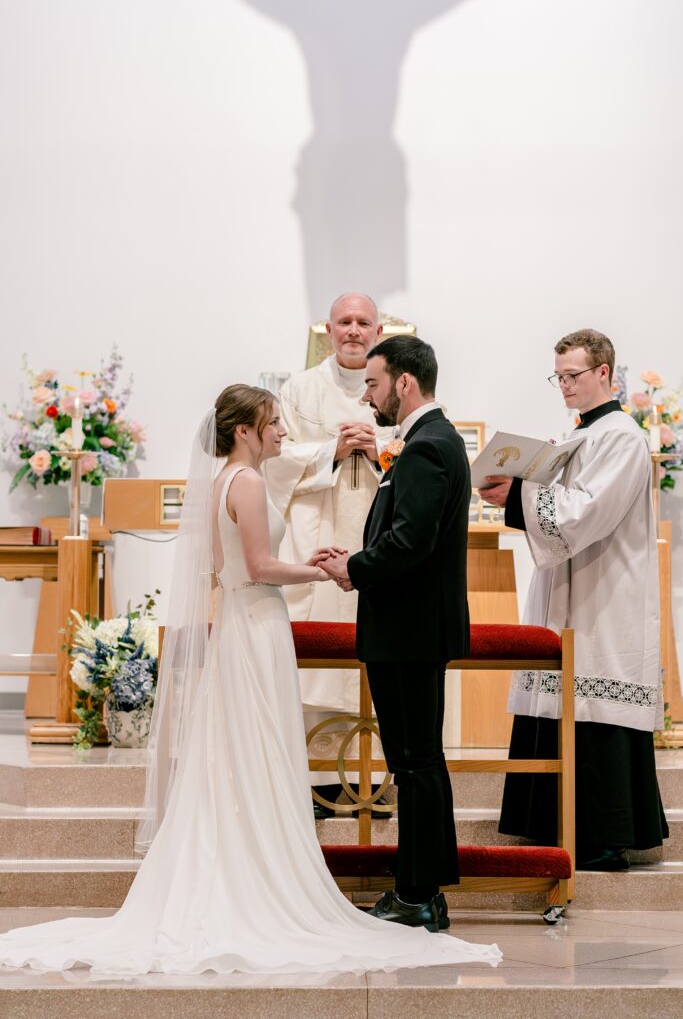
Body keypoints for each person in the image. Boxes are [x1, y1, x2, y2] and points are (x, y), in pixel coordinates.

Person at [0, 384, 501, 973]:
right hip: (259, 623)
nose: (282, 433)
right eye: (273, 423)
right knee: (259, 748)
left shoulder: (221, 484)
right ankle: (260, 881)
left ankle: (231, 869)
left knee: (236, 753)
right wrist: (323, 571)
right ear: (244, 430)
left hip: (237, 623)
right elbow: (262, 567)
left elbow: (223, 567)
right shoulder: (251, 482)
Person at [478, 329, 668, 870]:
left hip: (604, 596)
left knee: (596, 704)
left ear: (604, 373)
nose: (563, 385)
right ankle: (548, 824)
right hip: (570, 587)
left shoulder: (622, 437)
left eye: (573, 376)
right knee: (560, 699)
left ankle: (602, 838)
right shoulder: (583, 433)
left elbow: (583, 512)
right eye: (558, 376)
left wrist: (516, 494)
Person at [322, 336, 471, 931]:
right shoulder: (429, 443)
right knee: (417, 763)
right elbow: (407, 534)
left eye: (374, 383)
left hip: (408, 632)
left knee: (414, 765)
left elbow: (411, 542)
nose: (368, 394)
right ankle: (421, 892)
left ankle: (417, 894)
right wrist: (357, 555)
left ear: (405, 383)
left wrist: (352, 569)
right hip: (410, 628)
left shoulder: (427, 448)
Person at [263, 292, 393, 816]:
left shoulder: (393, 382)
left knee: (377, 659)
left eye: (364, 322)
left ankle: (376, 785)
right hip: (320, 536)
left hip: (379, 535)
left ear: (379, 330)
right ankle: (320, 785)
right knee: (319, 666)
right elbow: (273, 457)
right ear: (329, 329)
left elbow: (420, 444)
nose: (355, 330)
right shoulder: (301, 389)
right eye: (345, 322)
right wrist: (330, 452)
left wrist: (378, 443)